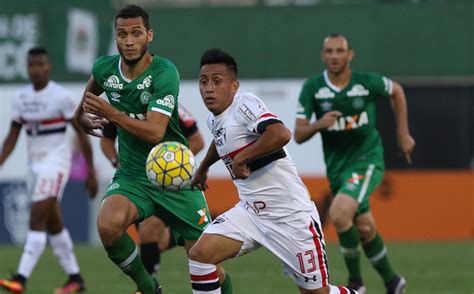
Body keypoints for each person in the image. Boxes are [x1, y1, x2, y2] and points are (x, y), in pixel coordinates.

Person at [73, 5, 232, 294]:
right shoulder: (104, 69)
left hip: (176, 180)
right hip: (133, 175)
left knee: (207, 261)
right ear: (116, 38)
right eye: (122, 34)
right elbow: (83, 106)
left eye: (136, 33)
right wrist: (81, 118)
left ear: (149, 35)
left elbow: (155, 130)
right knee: (108, 225)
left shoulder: (164, 71)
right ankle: (148, 287)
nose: (129, 41)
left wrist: (112, 113)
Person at [189, 48, 357, 294]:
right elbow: (220, 139)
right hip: (250, 214)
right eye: (203, 82)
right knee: (200, 255)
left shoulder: (245, 104)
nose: (208, 88)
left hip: (291, 217)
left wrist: (242, 159)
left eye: (217, 81)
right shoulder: (214, 119)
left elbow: (280, 133)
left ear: (234, 86)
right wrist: (203, 168)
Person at [294, 33, 415, 294]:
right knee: (364, 227)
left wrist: (402, 133)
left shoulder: (365, 82)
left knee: (338, 213)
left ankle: (356, 284)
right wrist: (319, 124)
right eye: (330, 51)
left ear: (350, 55)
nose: (335, 56)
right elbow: (298, 134)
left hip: (367, 159)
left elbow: (397, 91)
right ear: (322, 55)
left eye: (340, 51)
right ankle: (393, 281)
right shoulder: (313, 88)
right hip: (337, 168)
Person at [0, 47, 98, 294]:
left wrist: (91, 170)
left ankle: (20, 279)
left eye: (40, 64)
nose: (35, 69)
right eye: (31, 64)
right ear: (27, 67)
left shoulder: (61, 97)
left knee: (36, 218)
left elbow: (81, 134)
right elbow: (12, 135)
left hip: (56, 164)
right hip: (34, 167)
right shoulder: (21, 98)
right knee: (54, 224)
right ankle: (75, 278)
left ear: (49, 67)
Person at [100, 103, 205, 277]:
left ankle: (149, 285)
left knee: (151, 231)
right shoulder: (121, 106)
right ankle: (152, 284)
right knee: (154, 239)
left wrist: (171, 165)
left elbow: (198, 141)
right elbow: (106, 139)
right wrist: (114, 160)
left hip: (169, 182)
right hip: (137, 182)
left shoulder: (171, 108)